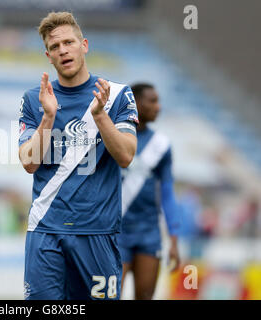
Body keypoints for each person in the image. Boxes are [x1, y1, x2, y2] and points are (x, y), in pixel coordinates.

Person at [18, 12, 138, 300]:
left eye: (69, 42)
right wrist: (48, 116)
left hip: (97, 232)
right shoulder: (34, 98)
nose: (63, 50)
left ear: (84, 45)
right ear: (48, 55)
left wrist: (100, 116)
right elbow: (28, 162)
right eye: (55, 47)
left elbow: (125, 156)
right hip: (46, 229)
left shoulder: (116, 95)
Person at [118, 83, 180, 300]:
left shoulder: (161, 145)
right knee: (109, 296)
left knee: (145, 297)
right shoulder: (114, 137)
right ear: (135, 104)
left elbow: (167, 193)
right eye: (152, 101)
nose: (158, 106)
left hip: (148, 232)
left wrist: (173, 238)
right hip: (116, 232)